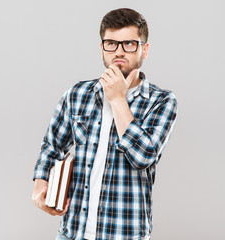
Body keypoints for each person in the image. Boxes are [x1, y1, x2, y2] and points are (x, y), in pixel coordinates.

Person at [32, 8, 178, 240]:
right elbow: (52, 146)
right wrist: (40, 186)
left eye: (129, 44)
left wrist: (118, 98)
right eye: (111, 43)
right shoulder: (77, 94)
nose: (119, 51)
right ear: (102, 48)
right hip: (72, 232)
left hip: (124, 234)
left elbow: (143, 156)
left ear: (144, 50)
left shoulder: (162, 101)